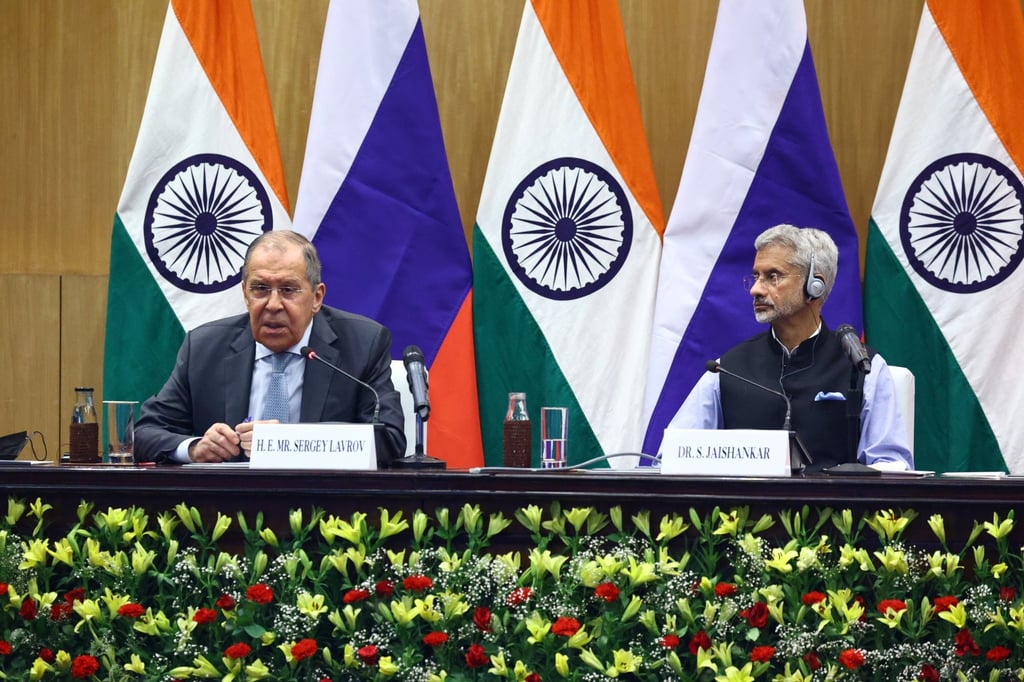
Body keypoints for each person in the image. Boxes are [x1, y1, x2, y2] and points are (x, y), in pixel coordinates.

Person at [135, 231, 406, 466]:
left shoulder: (362, 343)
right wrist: (195, 448)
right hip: (226, 503)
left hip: (323, 503)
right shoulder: (205, 347)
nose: (273, 304)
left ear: (317, 297)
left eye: (288, 290)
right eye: (261, 289)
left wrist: (286, 442)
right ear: (245, 293)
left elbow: (389, 439)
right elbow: (144, 433)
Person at [669, 224, 913, 470]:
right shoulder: (726, 369)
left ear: (814, 286)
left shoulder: (862, 368)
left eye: (773, 277)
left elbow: (891, 466)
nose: (755, 289)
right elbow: (673, 458)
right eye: (756, 276)